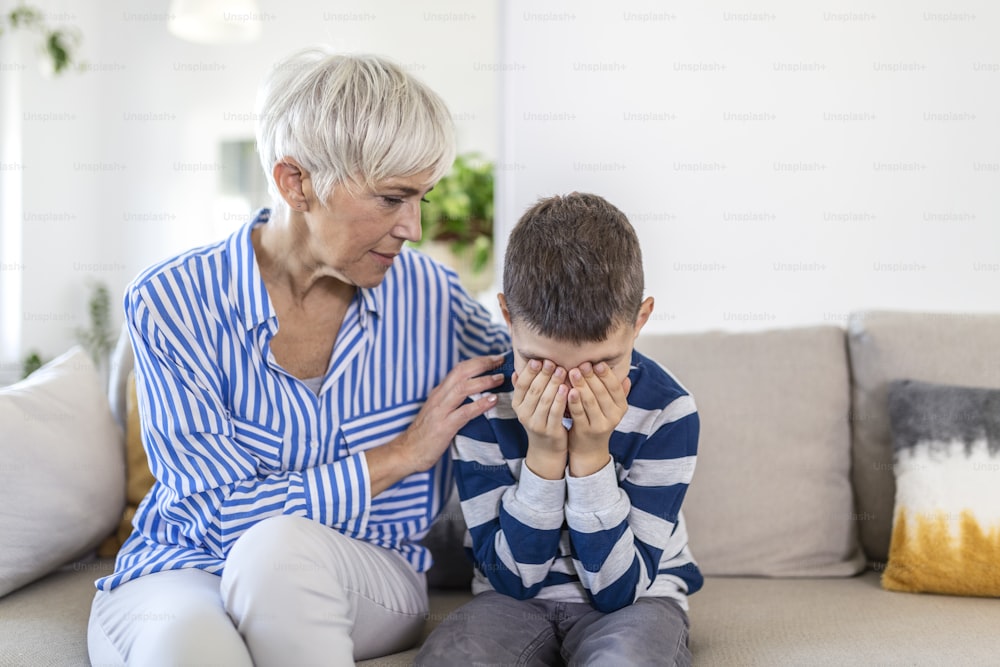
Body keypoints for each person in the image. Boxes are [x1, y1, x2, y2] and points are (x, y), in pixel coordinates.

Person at [86, 48, 510, 666]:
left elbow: (546, 365)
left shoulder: (431, 296)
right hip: (186, 567)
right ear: (297, 183)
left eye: (423, 197)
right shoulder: (172, 301)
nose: (414, 227)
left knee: (279, 551)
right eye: (393, 199)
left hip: (367, 574)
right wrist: (397, 458)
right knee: (186, 648)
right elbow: (214, 515)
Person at [416, 192, 703, 666]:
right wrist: (544, 456)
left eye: (601, 364)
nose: (570, 389)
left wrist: (591, 457)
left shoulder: (668, 412)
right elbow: (513, 580)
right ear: (507, 317)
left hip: (638, 602)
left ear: (639, 321)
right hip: (510, 602)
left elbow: (618, 589)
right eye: (541, 363)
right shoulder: (484, 405)